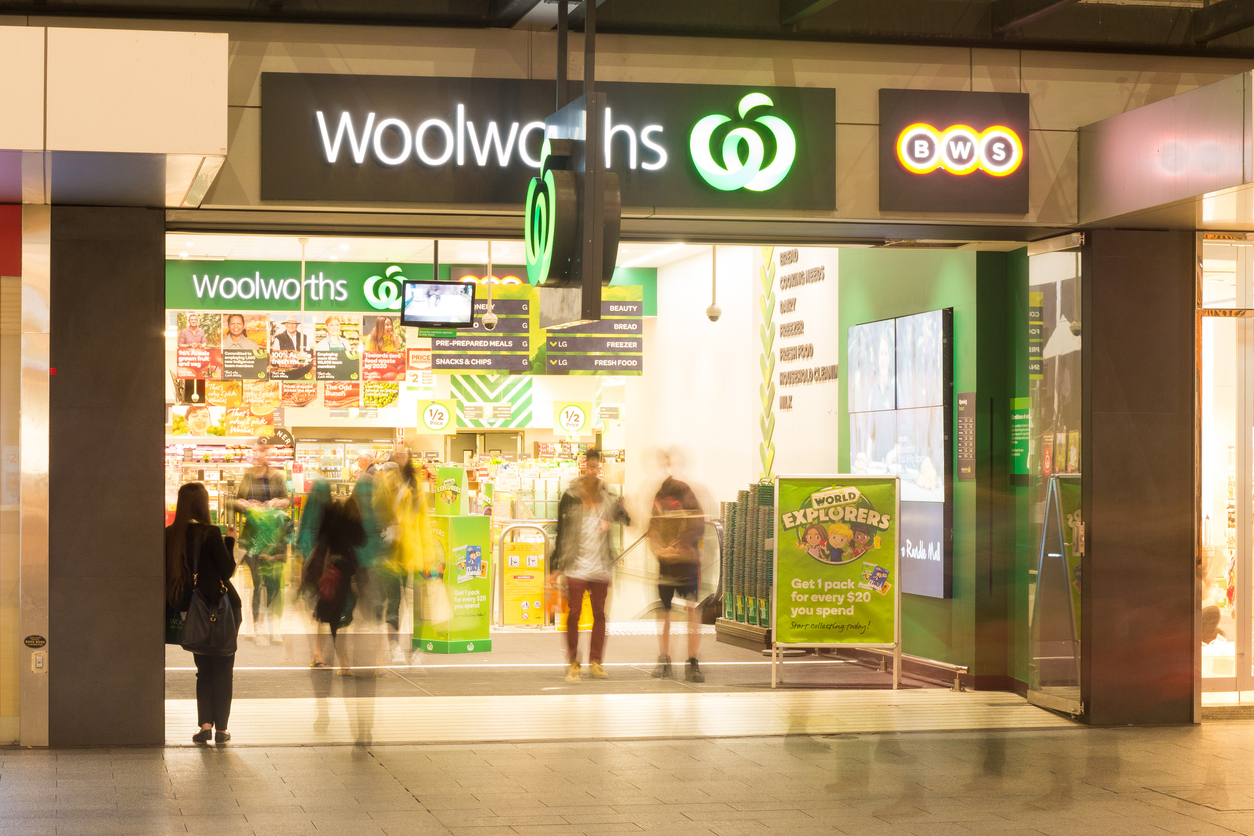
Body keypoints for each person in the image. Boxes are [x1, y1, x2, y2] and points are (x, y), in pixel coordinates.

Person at [165, 482, 240, 744]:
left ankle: (205, 725)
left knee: (204, 669)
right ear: (204, 504)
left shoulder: (170, 534)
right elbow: (227, 570)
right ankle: (221, 730)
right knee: (223, 667)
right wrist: (230, 540)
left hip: (190, 611)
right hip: (219, 608)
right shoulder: (210, 533)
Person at [550, 449, 630, 682]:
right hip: (576, 562)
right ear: (583, 467)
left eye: (597, 467)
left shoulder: (607, 495)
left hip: (600, 564)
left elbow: (625, 519)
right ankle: (573, 661)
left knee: (599, 614)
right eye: (590, 466)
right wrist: (555, 566)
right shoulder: (570, 495)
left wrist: (615, 517)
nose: (594, 471)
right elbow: (561, 530)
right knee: (573, 613)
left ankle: (596, 661)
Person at [647, 451, 707, 683]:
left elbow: (697, 521)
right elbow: (653, 527)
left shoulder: (684, 492)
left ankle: (692, 661)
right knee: (665, 611)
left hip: (687, 562)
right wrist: (659, 549)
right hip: (666, 563)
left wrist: (680, 546)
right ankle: (665, 658)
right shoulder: (658, 495)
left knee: (692, 608)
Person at [233, 439, 290, 645]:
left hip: (274, 536)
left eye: (261, 451)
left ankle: (274, 628)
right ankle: (257, 626)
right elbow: (237, 500)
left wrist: (276, 502)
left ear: (268, 453)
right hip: (253, 536)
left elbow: (286, 500)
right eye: (254, 451)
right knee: (257, 583)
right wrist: (247, 504)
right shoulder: (247, 477)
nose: (257, 455)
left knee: (274, 584)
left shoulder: (276, 476)